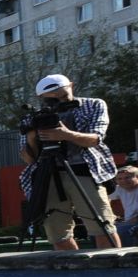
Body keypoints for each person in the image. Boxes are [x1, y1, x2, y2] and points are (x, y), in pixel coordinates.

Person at [18, 73, 121, 250]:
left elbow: (96, 138)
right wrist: (31, 137)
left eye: (63, 96)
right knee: (56, 231)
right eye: (52, 100)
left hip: (84, 169)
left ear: (71, 86)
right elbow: (29, 159)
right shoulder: (35, 117)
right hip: (48, 173)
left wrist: (66, 135)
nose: (59, 102)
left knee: (102, 225)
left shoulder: (93, 104)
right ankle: (74, 272)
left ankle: (111, 270)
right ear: (41, 98)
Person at [111, 165, 138, 245]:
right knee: (102, 232)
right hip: (128, 222)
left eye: (127, 178)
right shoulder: (119, 188)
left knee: (121, 230)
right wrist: (110, 216)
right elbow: (105, 199)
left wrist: (126, 223)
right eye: (119, 179)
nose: (123, 181)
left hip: (133, 224)